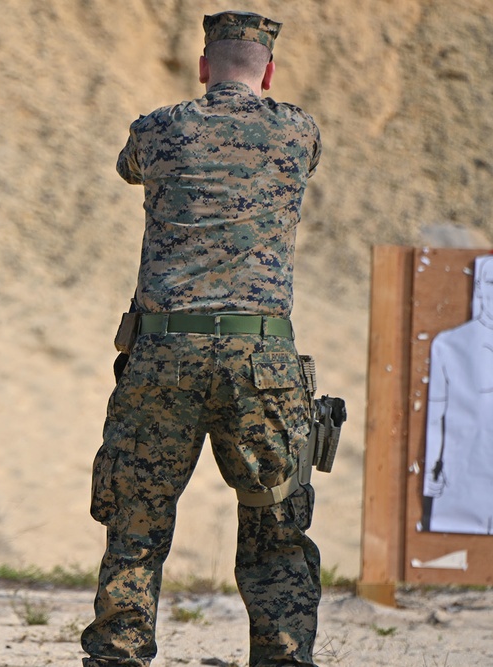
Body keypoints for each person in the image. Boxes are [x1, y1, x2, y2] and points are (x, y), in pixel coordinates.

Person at [82, 11, 323, 667]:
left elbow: (129, 167)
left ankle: (120, 653)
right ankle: (283, 655)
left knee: (136, 520)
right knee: (277, 523)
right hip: (262, 357)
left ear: (201, 67)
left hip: (166, 351)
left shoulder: (159, 130)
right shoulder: (298, 132)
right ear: (268, 73)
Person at [422, 255, 493, 534]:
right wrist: (431, 469)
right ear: (478, 286)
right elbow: (436, 415)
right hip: (461, 478)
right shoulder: (449, 344)